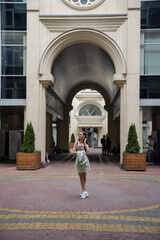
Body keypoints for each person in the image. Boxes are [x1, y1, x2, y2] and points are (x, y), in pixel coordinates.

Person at [72, 131, 90, 199]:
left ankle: (83, 189)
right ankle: (85, 191)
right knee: (80, 176)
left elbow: (88, 150)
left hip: (85, 161)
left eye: (81, 134)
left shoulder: (85, 144)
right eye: (79, 134)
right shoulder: (76, 143)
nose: (79, 135)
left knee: (84, 175)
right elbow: (73, 152)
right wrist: (79, 152)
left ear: (84, 136)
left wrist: (85, 143)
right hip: (79, 161)